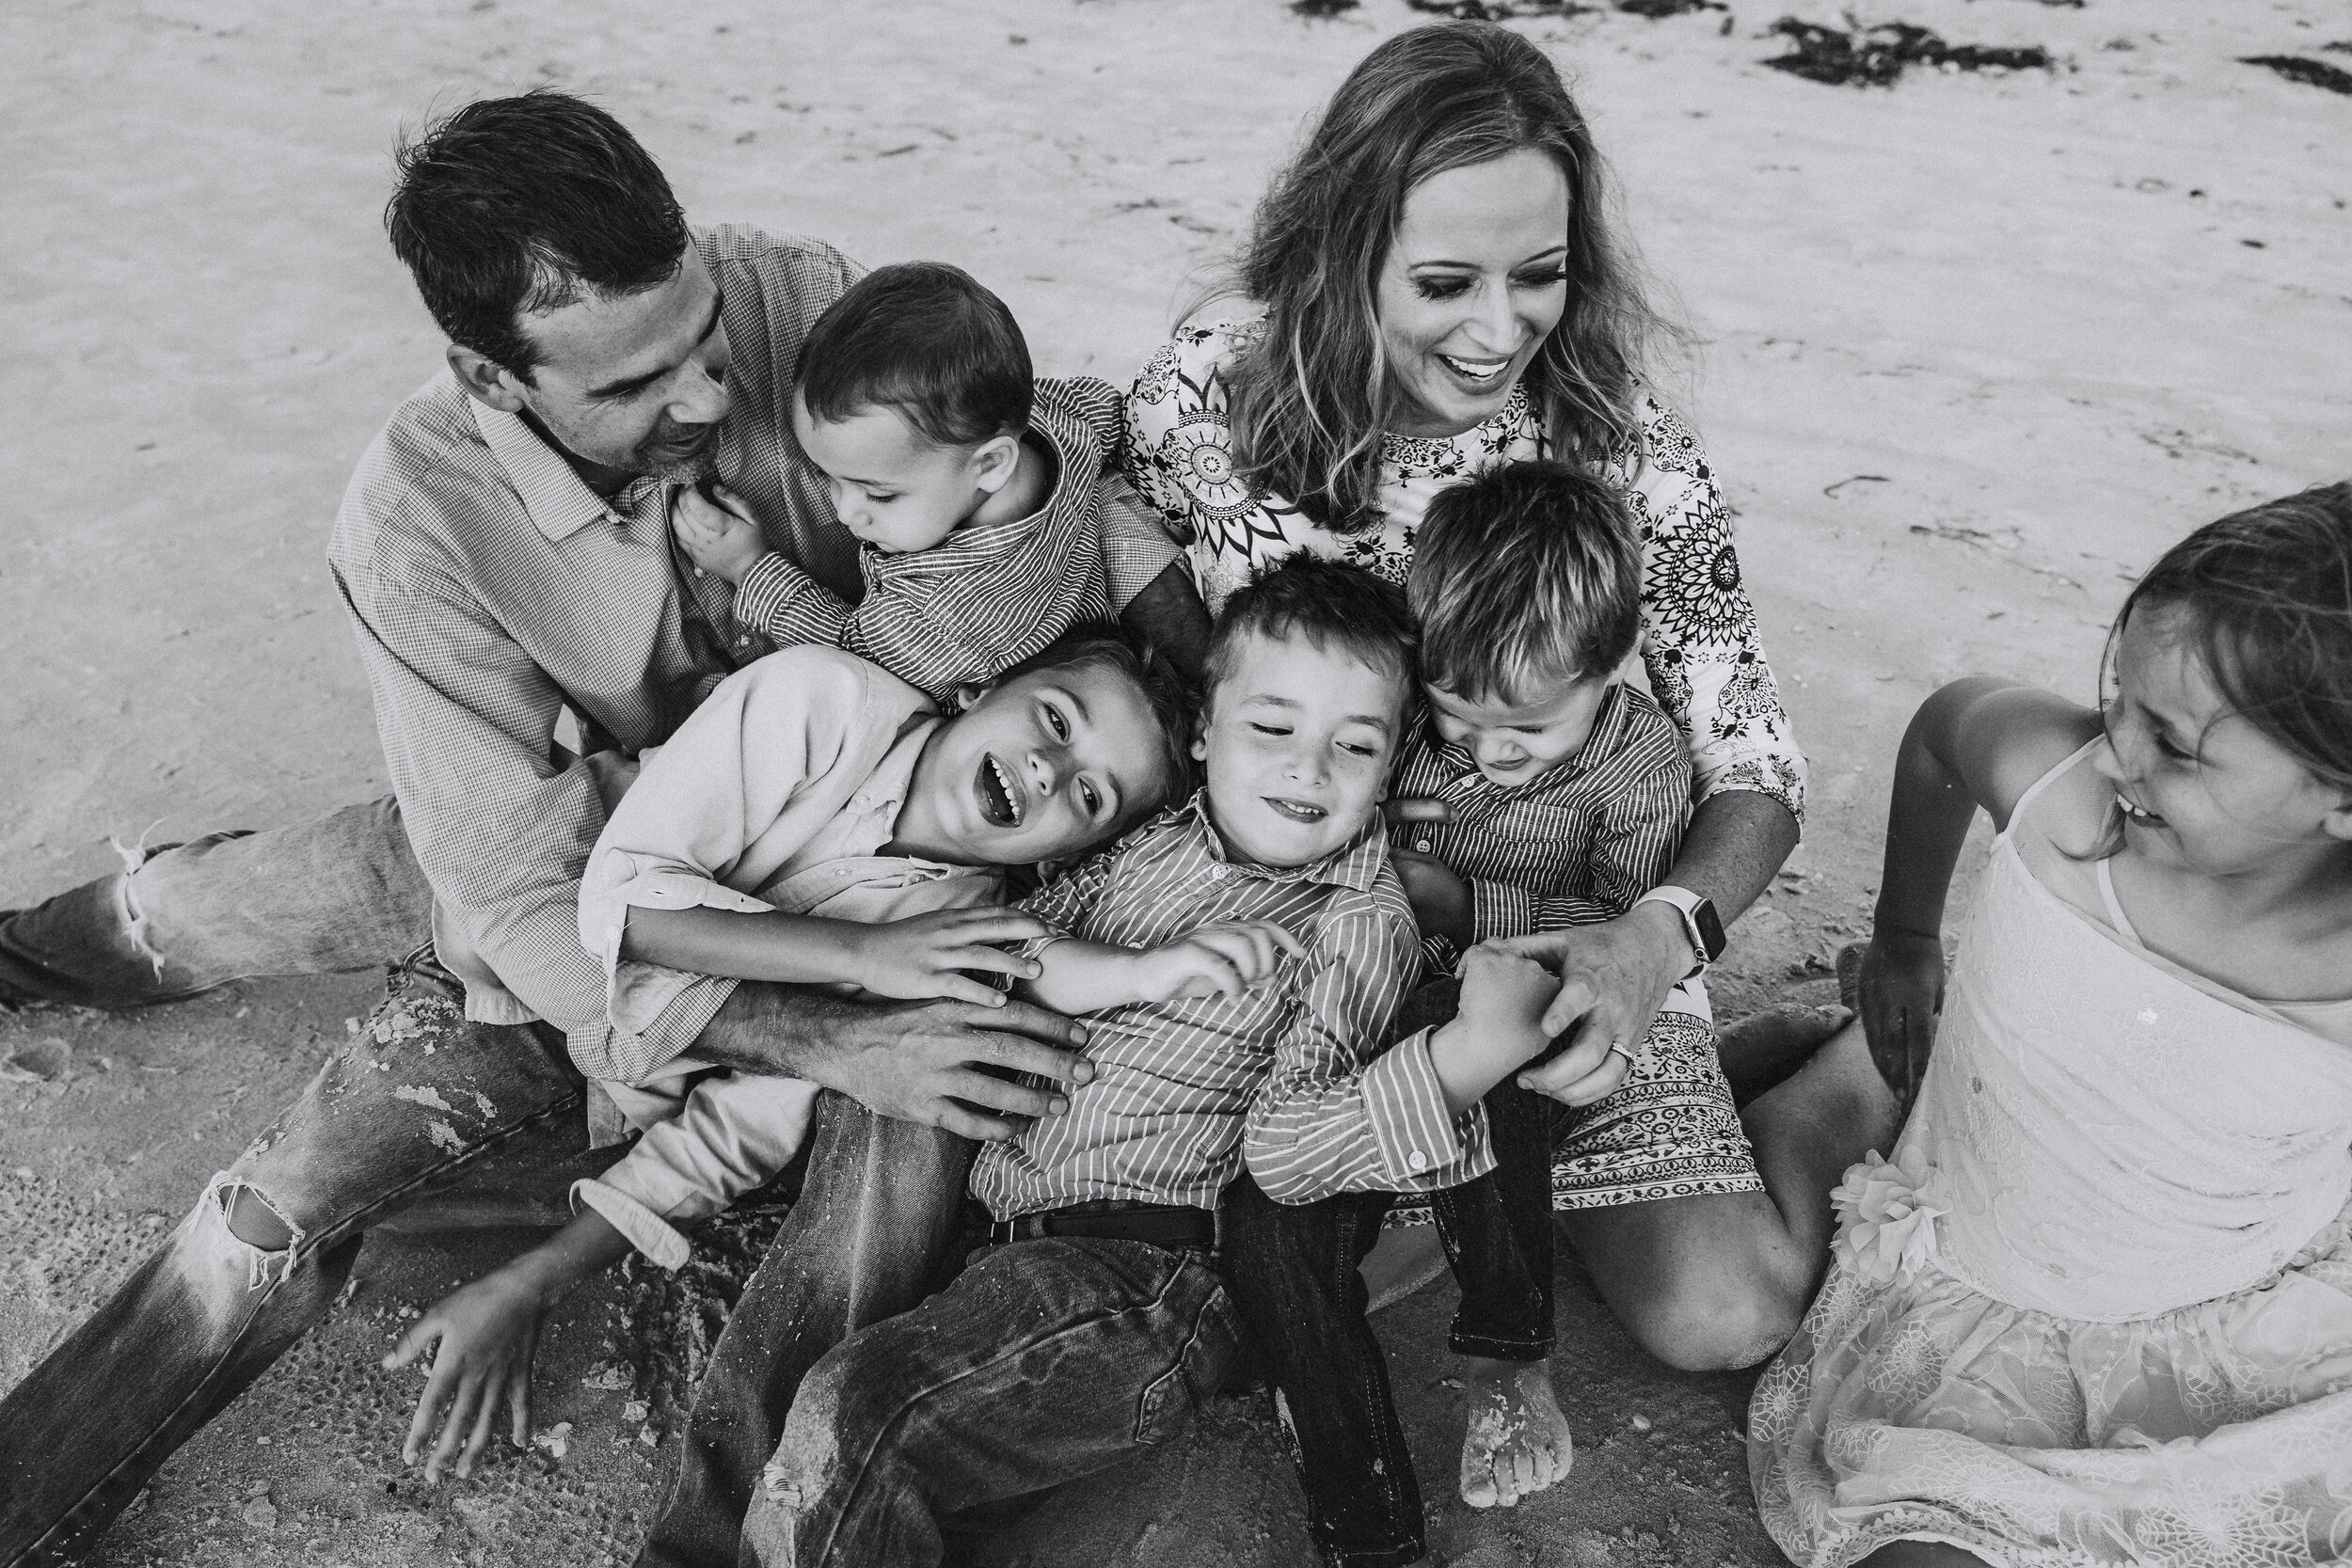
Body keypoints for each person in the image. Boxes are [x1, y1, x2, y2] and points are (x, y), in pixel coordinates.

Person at [0, 91, 1202, 1566]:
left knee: (299, 1153)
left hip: (821, 827)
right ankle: (50, 951)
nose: (707, 398)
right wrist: (815, 1028)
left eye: (706, 340)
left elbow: (1026, 470)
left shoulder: (800, 299)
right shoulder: (412, 524)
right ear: (487, 376)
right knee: (218, 1012)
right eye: (641, 382)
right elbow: (520, 897)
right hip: (558, 863)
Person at [1123, 24, 1885, 1565]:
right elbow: (1126, 555)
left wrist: (1655, 935)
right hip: (1306, 928)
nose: (1501, 328)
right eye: (1446, 283)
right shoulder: (1220, 385)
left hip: (1561, 933)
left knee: (1721, 1310)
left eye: (1537, 272)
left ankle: (1838, 1069)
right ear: (1344, 248)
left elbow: (1752, 763)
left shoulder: (1626, 458)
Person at [742, 554, 1576, 1568]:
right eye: (1272, 727)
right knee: (861, 1412)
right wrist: (1134, 970)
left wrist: (1459, 1058)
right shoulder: (1146, 846)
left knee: (867, 1409)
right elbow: (1015, 945)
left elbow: (1289, 1153)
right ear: (1201, 734)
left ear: (1388, 767)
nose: (1307, 770)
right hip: (1003, 1246)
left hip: (1147, 1279)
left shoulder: (1353, 919)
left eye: (1352, 746)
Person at [386, 627, 1191, 1481]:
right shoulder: (824, 702)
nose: (1049, 770)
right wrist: (860, 954)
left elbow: (740, 1129)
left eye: (1092, 796)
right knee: (265, 916)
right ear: (978, 688)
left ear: (1065, 854)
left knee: (385, 1223)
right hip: (486, 897)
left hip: (607, 1056)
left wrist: (533, 1281)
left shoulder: (963, 946)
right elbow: (618, 903)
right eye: (1056, 720)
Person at [1750, 485, 2352, 1568]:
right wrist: (1901, 934)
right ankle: (1822, 1083)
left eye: (2173, 742)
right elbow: (1944, 727)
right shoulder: (2053, 783)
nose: (2116, 750)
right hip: (1989, 1307)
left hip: (2235, 1319)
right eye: (2117, 696)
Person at [1375, 461, 1706, 1511]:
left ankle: (1507, 1354)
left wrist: (1470, 909)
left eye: (1526, 729)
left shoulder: (1640, 762)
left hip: (1532, 1002)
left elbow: (1623, 936)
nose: (1485, 750)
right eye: (1457, 716)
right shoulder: (1403, 710)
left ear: (1611, 663)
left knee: (1507, 1062)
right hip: (1388, 982)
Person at [667, 261, 1147, 701]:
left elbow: (851, 657)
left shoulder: (949, 616)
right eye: (825, 477)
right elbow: (1105, 405)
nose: (843, 511)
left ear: (991, 464)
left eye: (878, 493)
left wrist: (751, 567)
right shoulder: (1057, 423)